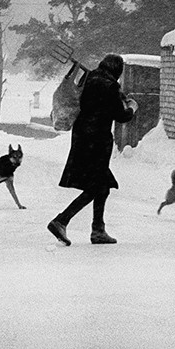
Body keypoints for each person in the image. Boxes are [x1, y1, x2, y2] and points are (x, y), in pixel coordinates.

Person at [47, 54, 137, 246]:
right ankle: (62, 220)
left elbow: (96, 103)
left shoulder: (91, 78)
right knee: (97, 186)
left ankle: (98, 230)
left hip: (82, 137)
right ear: (117, 71)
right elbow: (120, 116)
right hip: (97, 141)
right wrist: (131, 107)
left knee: (102, 185)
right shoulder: (109, 86)